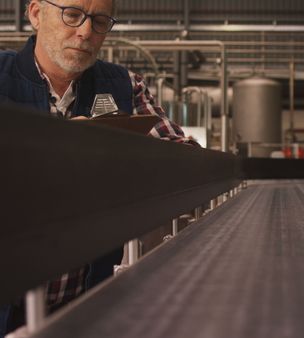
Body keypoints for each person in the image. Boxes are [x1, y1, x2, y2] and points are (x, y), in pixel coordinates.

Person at [0, 0, 195, 336]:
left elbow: (183, 163)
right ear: (34, 14)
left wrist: (125, 154)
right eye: (72, 14)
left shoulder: (122, 85)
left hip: (88, 304)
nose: (86, 31)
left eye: (100, 21)